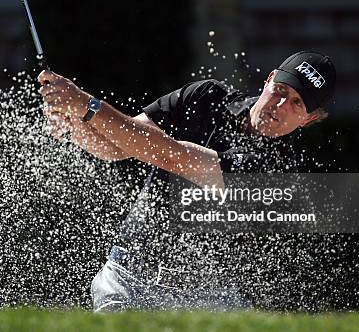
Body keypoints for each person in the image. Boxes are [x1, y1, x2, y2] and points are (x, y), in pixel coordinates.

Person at [38, 50, 336, 311]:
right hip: (127, 277)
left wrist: (87, 106)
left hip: (206, 297)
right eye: (281, 89)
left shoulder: (275, 170)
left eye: (297, 103)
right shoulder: (207, 96)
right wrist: (74, 123)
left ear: (308, 119)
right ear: (268, 79)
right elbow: (116, 146)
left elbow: (172, 156)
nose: (280, 104)